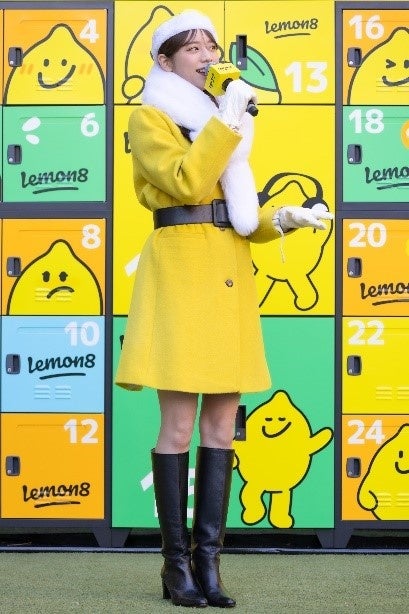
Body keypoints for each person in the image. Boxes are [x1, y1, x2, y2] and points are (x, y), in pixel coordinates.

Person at [115, 9, 333, 609]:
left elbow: (237, 215)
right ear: (165, 62)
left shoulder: (222, 118)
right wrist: (229, 118)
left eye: (211, 46)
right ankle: (175, 567)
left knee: (219, 429)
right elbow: (187, 185)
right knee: (177, 429)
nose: (208, 55)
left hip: (229, 275)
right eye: (193, 48)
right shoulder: (151, 117)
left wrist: (284, 218)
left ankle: (209, 566)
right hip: (181, 275)